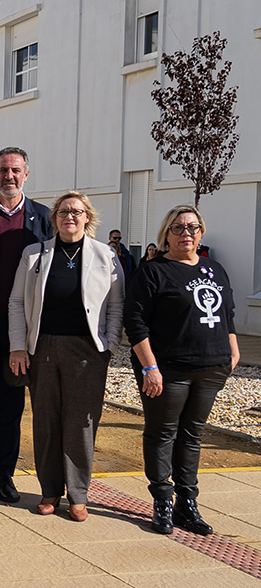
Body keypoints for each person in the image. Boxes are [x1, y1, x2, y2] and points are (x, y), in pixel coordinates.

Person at [8, 192, 123, 522]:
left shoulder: (105, 255)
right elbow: (16, 303)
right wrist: (18, 346)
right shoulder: (35, 255)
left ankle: (78, 494)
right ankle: (49, 491)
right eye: (63, 211)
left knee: (81, 422)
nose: (69, 216)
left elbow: (116, 305)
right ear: (54, 218)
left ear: (87, 217)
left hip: (87, 351)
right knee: (46, 421)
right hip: (43, 348)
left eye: (76, 211)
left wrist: (110, 344)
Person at [125, 205, 240, 536]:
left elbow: (227, 313)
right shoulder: (152, 271)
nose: (186, 233)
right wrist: (149, 366)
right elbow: (135, 323)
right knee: (163, 434)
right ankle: (162, 500)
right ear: (166, 234)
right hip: (169, 370)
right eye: (178, 228)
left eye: (192, 227)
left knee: (192, 435)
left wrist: (231, 350)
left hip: (211, 367)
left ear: (201, 232)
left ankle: (187, 503)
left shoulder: (214, 269)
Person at [0, 146, 53, 503]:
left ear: (26, 175)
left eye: (16, 170)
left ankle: (5, 475)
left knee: (11, 405)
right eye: (3, 170)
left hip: (21, 327)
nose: (9, 176)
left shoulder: (44, 218)